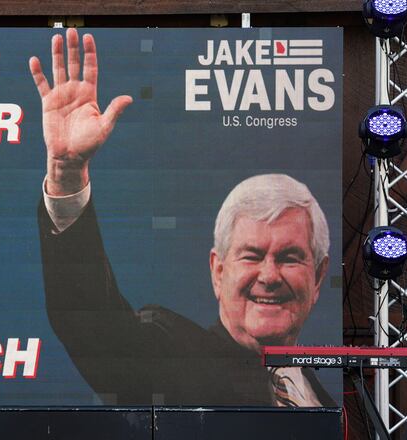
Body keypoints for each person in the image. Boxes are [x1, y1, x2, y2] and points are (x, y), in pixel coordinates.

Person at [31, 28, 336, 406]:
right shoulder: (174, 358)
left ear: (319, 275)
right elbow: (94, 326)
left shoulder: (335, 399)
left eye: (289, 257)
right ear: (218, 271)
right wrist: (67, 174)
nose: (269, 276)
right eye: (252, 255)